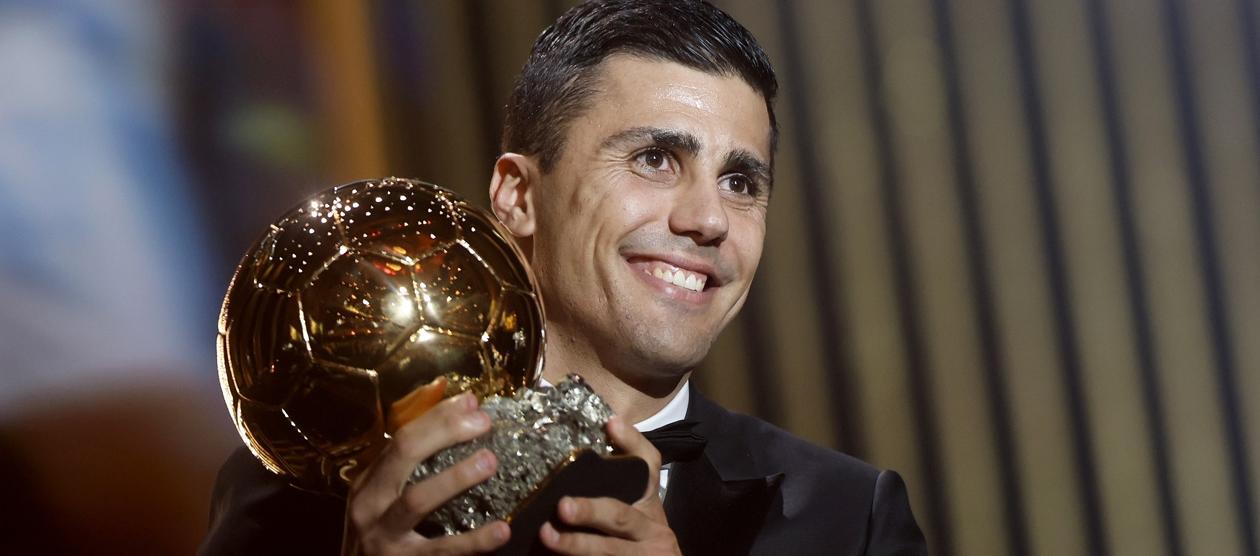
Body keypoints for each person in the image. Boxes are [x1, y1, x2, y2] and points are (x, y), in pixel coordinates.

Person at [199, 1, 927, 554]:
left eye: (740, 182)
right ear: (519, 196)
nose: (709, 219)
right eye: (654, 159)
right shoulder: (303, 491)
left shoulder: (849, 518)